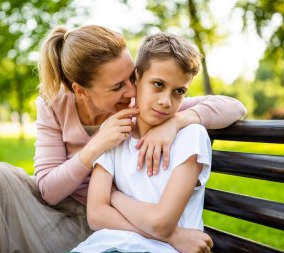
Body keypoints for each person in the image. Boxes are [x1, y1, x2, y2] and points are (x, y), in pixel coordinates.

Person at [0, 25, 246, 253]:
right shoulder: (54, 104)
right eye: (116, 87)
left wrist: (177, 121)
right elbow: (47, 190)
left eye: (132, 77)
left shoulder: (147, 102)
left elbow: (233, 107)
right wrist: (95, 146)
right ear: (81, 90)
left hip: (110, 223)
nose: (129, 91)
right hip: (61, 214)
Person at [72, 32, 212, 253]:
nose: (166, 101)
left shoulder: (190, 136)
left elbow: (160, 222)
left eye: (179, 91)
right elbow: (96, 215)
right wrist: (172, 237)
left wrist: (114, 196)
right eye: (158, 84)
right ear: (136, 78)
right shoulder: (114, 134)